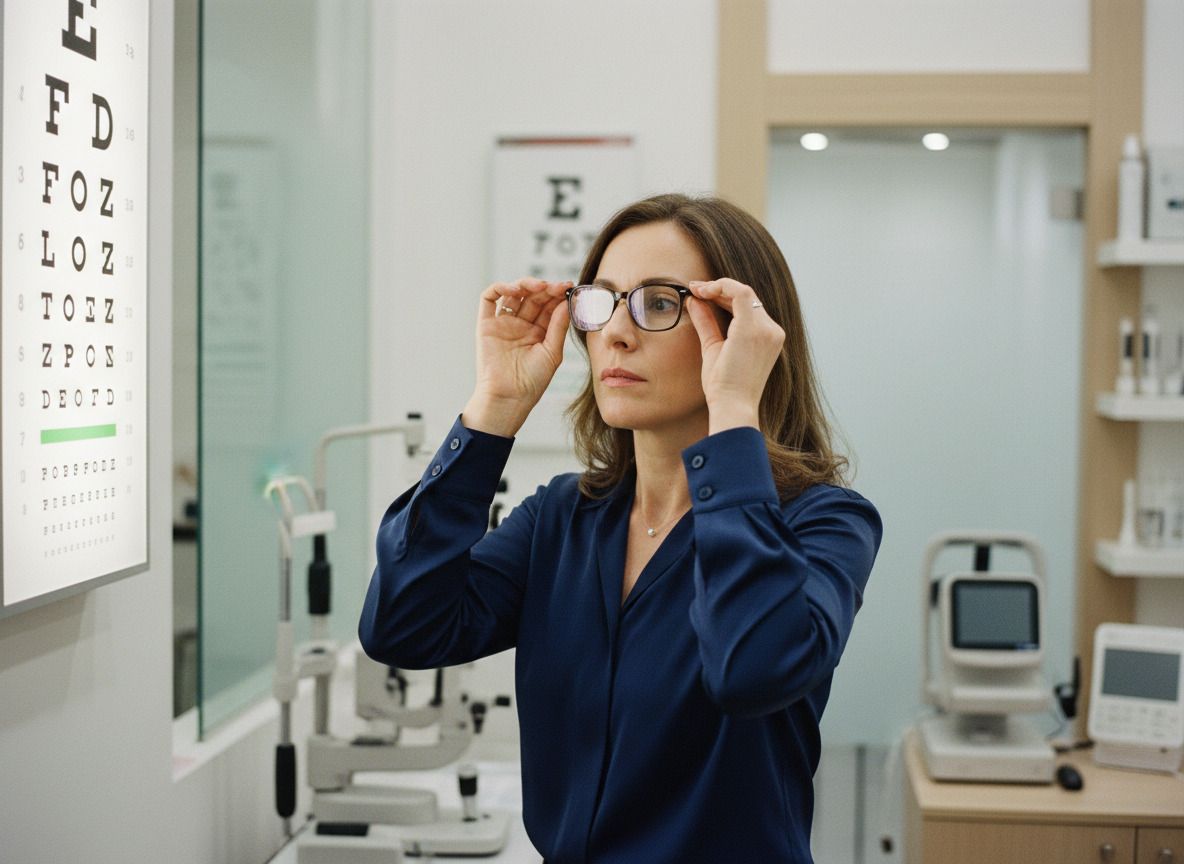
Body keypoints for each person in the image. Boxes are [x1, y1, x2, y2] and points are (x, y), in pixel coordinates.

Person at [359, 193, 882, 863]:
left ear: (741, 334)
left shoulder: (825, 522)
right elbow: (403, 626)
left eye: (658, 304)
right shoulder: (561, 517)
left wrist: (733, 409)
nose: (616, 333)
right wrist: (494, 407)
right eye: (601, 301)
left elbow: (751, 669)